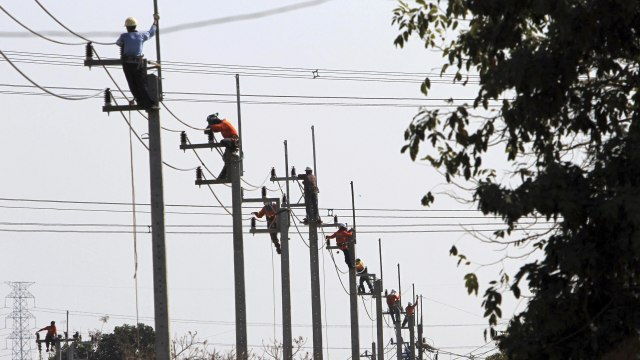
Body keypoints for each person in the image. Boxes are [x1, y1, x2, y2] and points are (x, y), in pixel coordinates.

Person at [116, 14, 159, 109]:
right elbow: (151, 32)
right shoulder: (141, 35)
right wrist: (155, 21)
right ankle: (149, 103)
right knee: (141, 84)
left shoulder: (124, 36)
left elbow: (118, 43)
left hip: (127, 64)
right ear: (135, 26)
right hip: (137, 64)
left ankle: (141, 102)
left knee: (132, 85)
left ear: (127, 27)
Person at [206, 114, 239, 181]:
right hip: (231, 143)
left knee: (223, 141)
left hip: (233, 141)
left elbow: (216, 128)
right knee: (226, 158)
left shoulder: (224, 123)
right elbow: (216, 129)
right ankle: (223, 176)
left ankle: (225, 175)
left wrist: (210, 127)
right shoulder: (222, 124)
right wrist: (209, 128)